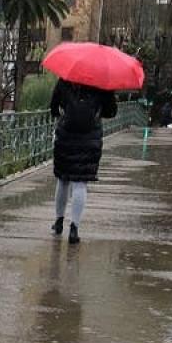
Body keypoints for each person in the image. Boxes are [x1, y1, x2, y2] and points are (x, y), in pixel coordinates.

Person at [49, 77, 117, 244]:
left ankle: (59, 221)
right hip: (90, 138)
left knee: (63, 179)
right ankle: (74, 227)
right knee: (80, 183)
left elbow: (53, 107)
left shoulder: (65, 79)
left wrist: (65, 112)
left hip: (66, 135)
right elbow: (111, 112)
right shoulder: (102, 82)